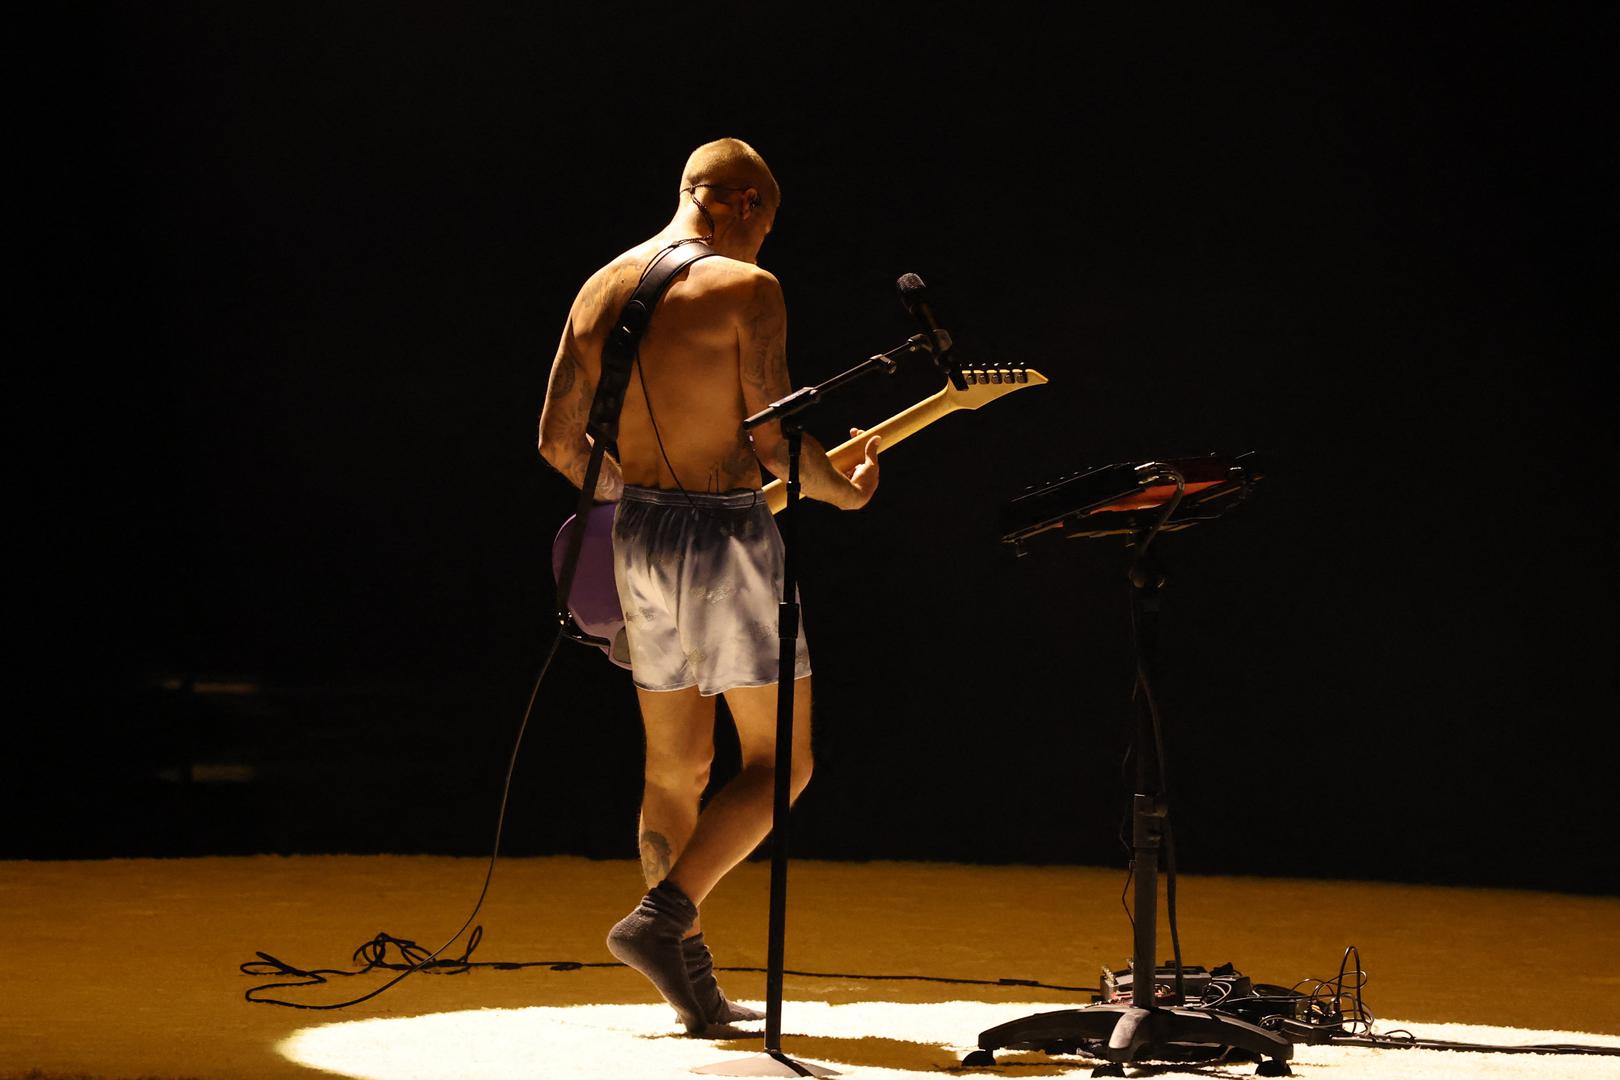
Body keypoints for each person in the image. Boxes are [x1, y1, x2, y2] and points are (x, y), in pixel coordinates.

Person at [537, 138, 881, 1034]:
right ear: (743, 203)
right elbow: (772, 441)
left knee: (675, 767)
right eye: (764, 223)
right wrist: (844, 489)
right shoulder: (747, 288)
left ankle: (688, 976)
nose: (763, 242)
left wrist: (641, 500)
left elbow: (558, 441)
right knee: (780, 763)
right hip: (724, 536)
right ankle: (662, 919)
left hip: (636, 538)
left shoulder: (601, 287)